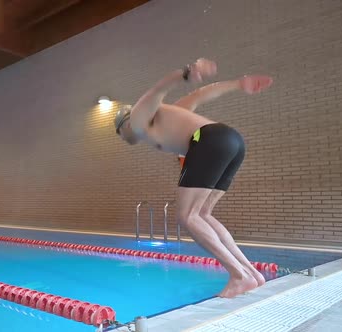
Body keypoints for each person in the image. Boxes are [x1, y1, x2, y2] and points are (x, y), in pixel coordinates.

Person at [114, 58, 273, 298]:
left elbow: (156, 90)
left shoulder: (137, 121)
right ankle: (252, 274)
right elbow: (200, 94)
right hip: (231, 140)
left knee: (187, 216)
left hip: (209, 140)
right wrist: (238, 84)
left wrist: (185, 73)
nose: (123, 139)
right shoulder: (171, 113)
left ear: (123, 124)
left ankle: (238, 276)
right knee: (203, 214)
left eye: (118, 133)